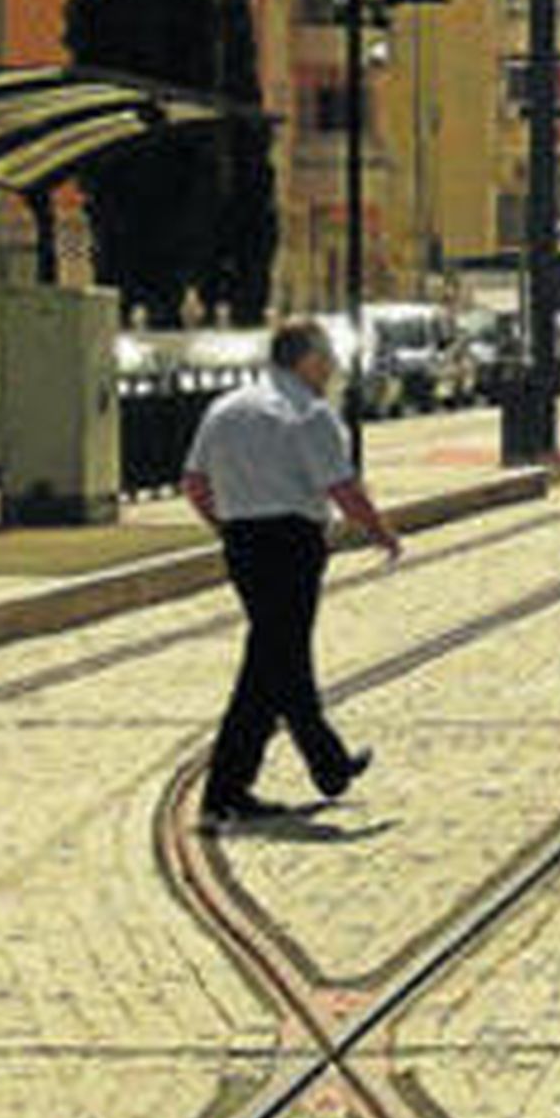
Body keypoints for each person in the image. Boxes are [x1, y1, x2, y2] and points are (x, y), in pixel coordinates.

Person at [182, 317, 402, 830]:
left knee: (274, 659)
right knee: (272, 661)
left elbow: (193, 483)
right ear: (304, 359)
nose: (331, 368)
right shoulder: (309, 414)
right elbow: (344, 489)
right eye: (326, 357)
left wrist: (228, 526)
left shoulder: (225, 408)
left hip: (242, 543)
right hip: (292, 545)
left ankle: (315, 768)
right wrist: (381, 533)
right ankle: (229, 792)